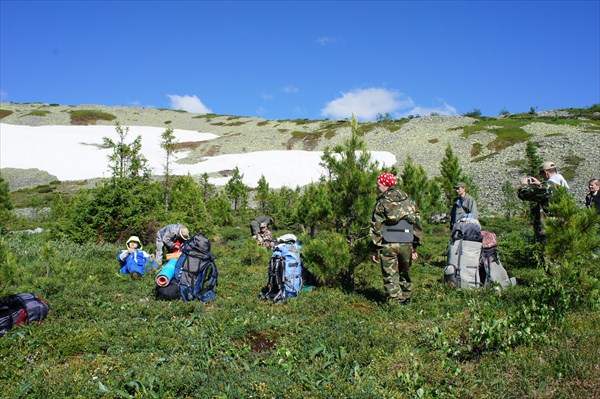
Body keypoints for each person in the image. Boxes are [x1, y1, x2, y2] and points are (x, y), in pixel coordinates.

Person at [370, 172, 422, 304]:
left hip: (389, 242)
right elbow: (417, 223)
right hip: (407, 242)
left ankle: (394, 301)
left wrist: (376, 248)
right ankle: (406, 297)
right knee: (405, 272)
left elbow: (377, 226)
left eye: (379, 185)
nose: (378, 187)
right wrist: (415, 246)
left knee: (390, 274)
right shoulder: (409, 201)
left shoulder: (382, 203)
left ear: (385, 185)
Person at [517, 161, 569, 243]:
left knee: (548, 251)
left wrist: (524, 185)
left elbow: (523, 194)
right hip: (563, 223)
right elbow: (550, 193)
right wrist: (541, 184)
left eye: (541, 173)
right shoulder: (563, 183)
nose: (541, 176)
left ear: (546, 172)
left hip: (549, 226)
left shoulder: (547, 186)